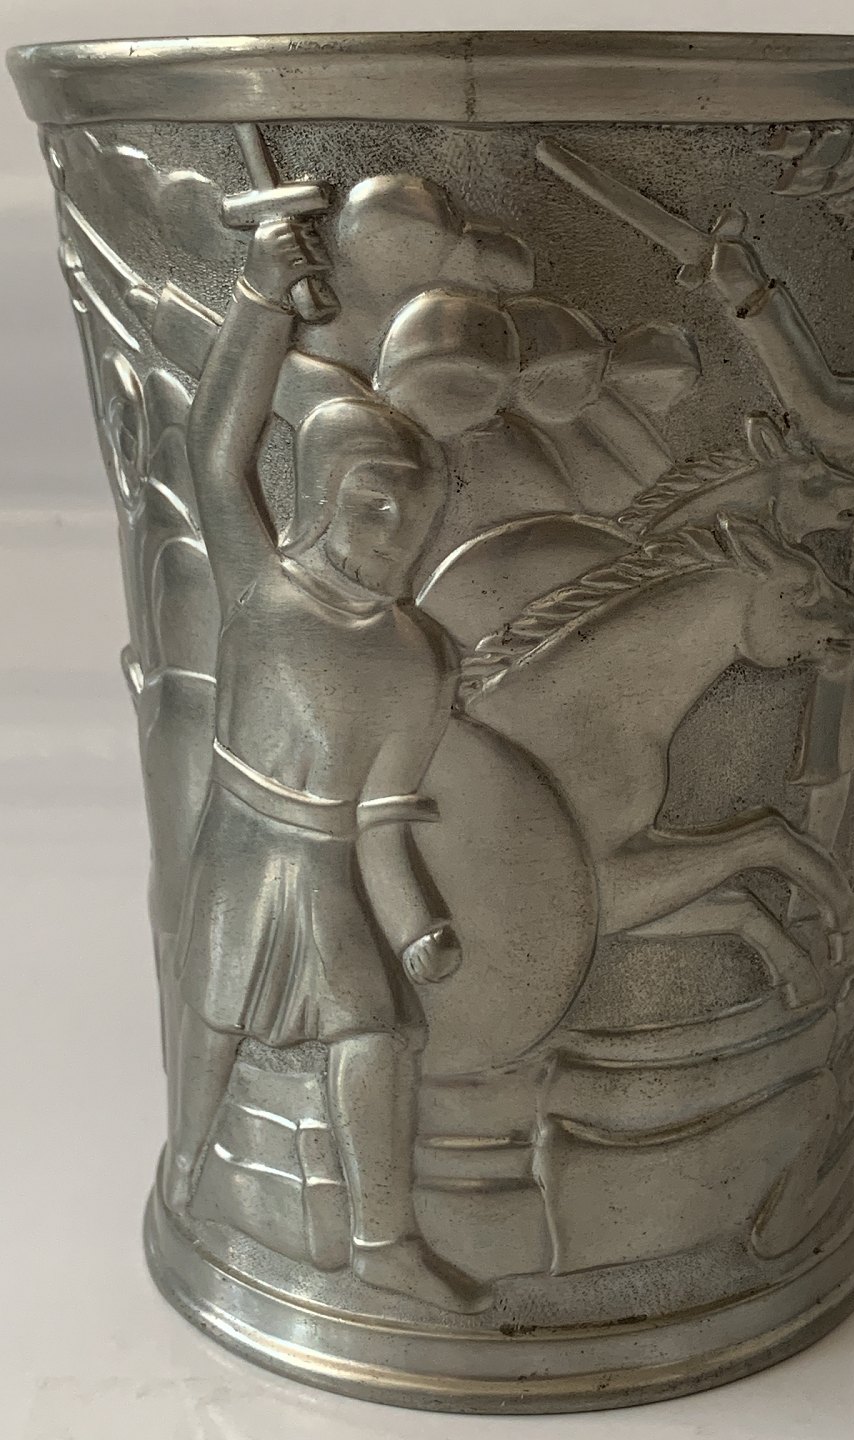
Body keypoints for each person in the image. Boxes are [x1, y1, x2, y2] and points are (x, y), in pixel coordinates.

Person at [165, 215, 487, 1312]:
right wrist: (260, 297)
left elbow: (383, 818)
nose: (396, 529)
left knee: (379, 1032)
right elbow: (216, 449)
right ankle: (188, 1174)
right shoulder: (263, 589)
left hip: (326, 867)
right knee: (212, 1014)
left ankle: (383, 1243)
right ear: (316, 494)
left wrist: (418, 926)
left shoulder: (418, 657)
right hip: (242, 852)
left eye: (416, 513)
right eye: (371, 502)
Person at [702, 217, 854, 936]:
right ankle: (819, 910)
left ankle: (814, 914)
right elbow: (809, 398)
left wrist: (752, 294)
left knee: (839, 759)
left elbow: (806, 397)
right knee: (841, 758)